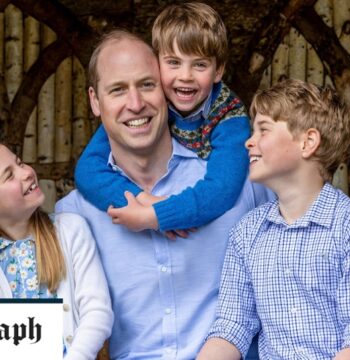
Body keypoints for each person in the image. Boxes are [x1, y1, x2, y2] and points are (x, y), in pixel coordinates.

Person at [56, 30, 270, 359]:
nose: (136, 104)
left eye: (146, 84)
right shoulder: (74, 218)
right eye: (117, 90)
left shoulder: (241, 183)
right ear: (95, 102)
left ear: (166, 91)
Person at [197, 79, 350, 360]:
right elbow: (232, 326)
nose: (249, 141)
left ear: (307, 142)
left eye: (264, 130)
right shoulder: (247, 232)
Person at [74, 2, 251, 235]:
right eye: (174, 63)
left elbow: (222, 190)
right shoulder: (154, 103)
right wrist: (141, 200)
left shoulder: (230, 118)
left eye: (199, 65)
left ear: (218, 71)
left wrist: (159, 215)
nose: (185, 76)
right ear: (157, 64)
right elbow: (87, 171)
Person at [0, 143, 114, 359]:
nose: (26, 173)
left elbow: (97, 312)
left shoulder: (70, 230)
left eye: (20, 163)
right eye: (9, 176)